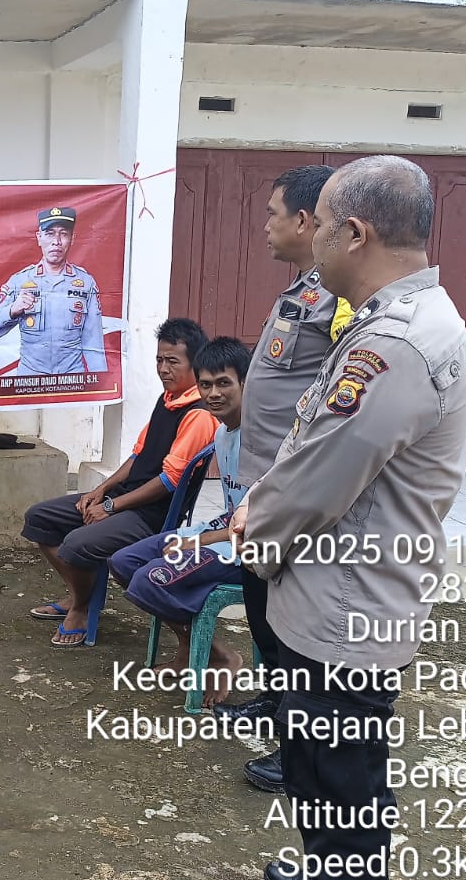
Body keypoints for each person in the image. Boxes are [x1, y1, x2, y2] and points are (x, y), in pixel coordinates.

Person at [231, 155, 466, 880]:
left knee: (343, 784)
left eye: (325, 225)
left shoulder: (397, 343)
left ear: (355, 233)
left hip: (344, 614)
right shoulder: (388, 323)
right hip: (333, 604)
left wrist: (253, 540)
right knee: (318, 773)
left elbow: (314, 483)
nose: (312, 237)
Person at [213, 165, 353, 796]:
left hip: (286, 490)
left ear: (306, 221)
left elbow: (339, 404)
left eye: (273, 214)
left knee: (286, 622)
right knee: (265, 617)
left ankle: (297, 750)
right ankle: (277, 710)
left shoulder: (343, 303)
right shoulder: (303, 289)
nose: (264, 226)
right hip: (257, 486)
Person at [24, 318, 218, 647]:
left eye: (173, 362)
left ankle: (83, 608)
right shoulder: (166, 400)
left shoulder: (197, 414)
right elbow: (137, 457)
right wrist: (101, 490)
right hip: (125, 499)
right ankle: (77, 594)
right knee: (39, 518)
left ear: (194, 364)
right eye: (159, 360)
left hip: (152, 515)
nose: (163, 369)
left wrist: (111, 506)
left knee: (75, 543)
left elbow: (169, 482)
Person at [107, 337, 250, 704]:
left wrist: (199, 541)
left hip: (248, 548)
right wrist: (196, 536)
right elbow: (233, 505)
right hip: (222, 530)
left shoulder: (261, 439)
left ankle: (221, 657)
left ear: (246, 384)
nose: (213, 393)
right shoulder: (223, 433)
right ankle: (195, 649)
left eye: (224, 383)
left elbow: (258, 521)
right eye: (206, 385)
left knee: (148, 583)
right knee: (125, 561)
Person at [0, 207, 107, 375]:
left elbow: (94, 342)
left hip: (71, 379)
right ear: (39, 238)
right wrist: (12, 310)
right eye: (49, 233)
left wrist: (100, 386)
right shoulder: (19, 281)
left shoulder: (85, 283)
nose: (56, 241)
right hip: (30, 380)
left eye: (63, 233)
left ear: (72, 239)